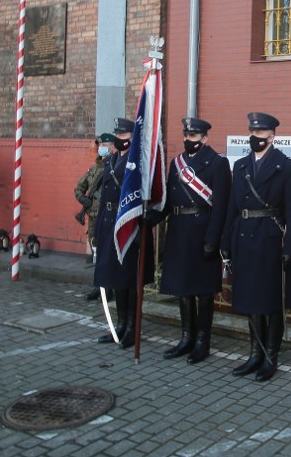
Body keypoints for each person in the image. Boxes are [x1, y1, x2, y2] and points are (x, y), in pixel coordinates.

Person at [221, 112, 291, 381]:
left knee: (272, 301)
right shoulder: (241, 166)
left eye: (261, 134)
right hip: (244, 237)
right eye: (252, 133)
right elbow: (233, 206)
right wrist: (225, 242)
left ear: (272, 137)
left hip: (270, 240)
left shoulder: (287, 166)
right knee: (249, 299)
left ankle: (270, 356)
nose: (255, 137)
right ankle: (254, 353)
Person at [147, 117, 231, 364]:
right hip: (179, 232)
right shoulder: (176, 164)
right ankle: (186, 338)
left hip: (202, 232)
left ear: (205, 139)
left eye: (193, 137)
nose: (188, 140)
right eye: (186, 135)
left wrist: (213, 239)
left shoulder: (217, 163)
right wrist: (151, 217)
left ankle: (202, 341)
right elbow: (169, 199)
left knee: (203, 292)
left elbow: (221, 207)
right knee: (183, 289)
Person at [93, 118, 154, 349]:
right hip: (110, 224)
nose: (119, 139)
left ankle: (132, 328)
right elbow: (104, 198)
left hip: (129, 225)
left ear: (132, 137)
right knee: (115, 279)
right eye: (117, 134)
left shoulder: (138, 162)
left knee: (130, 280)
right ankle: (119, 325)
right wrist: (98, 229)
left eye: (124, 136)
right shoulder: (110, 160)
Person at [75, 133, 113, 300]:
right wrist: (81, 198)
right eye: (100, 145)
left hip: (108, 217)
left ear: (113, 147)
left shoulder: (115, 166)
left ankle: (109, 288)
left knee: (109, 254)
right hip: (93, 218)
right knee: (97, 253)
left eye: (105, 144)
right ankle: (98, 286)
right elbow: (79, 187)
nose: (102, 148)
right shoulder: (94, 168)